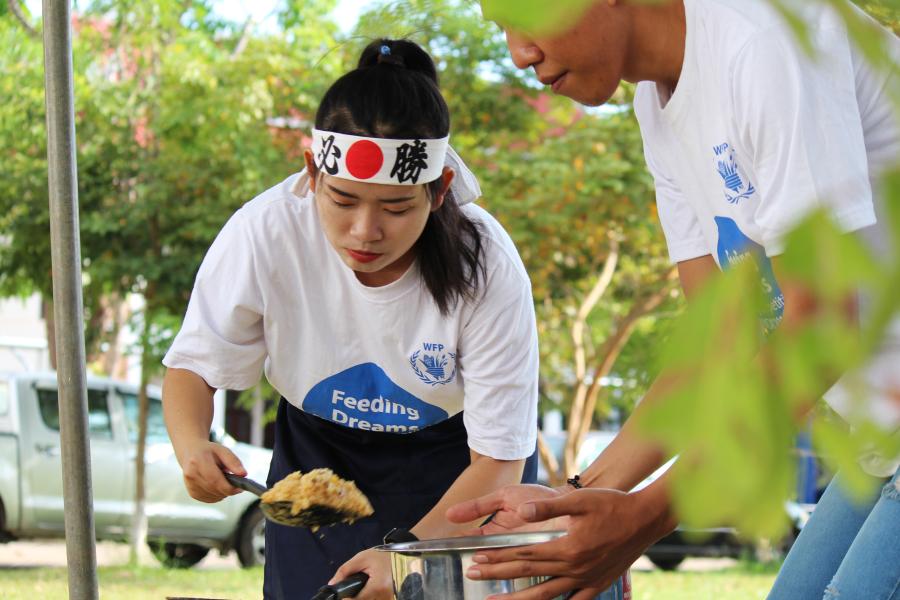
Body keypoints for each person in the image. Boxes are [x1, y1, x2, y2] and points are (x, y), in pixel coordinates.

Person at [446, 1, 900, 599]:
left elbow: (817, 335)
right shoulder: (655, 106)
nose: (519, 52)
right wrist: (576, 501)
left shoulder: (766, 37)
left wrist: (645, 518)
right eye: (501, 27)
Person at [161, 39, 543, 600]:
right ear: (313, 172)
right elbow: (193, 368)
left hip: (459, 474)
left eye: (395, 208)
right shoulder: (266, 232)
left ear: (438, 192)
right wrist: (193, 445)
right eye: (342, 201)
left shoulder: (484, 262)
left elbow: (499, 463)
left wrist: (407, 560)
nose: (365, 232)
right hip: (316, 464)